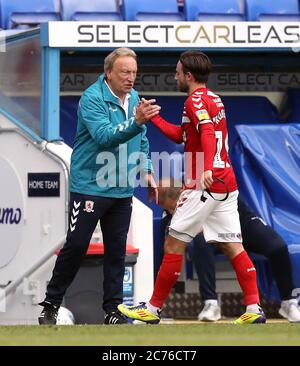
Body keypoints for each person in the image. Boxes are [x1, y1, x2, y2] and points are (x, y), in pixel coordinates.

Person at [118, 50, 266, 325]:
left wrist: (207, 167)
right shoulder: (213, 99)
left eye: (177, 72)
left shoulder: (194, 100)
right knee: (233, 245)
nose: (174, 76)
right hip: (226, 184)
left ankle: (152, 309)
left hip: (203, 184)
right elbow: (183, 136)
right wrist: (154, 119)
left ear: (188, 75)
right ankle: (254, 308)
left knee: (173, 243)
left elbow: (208, 132)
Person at [38, 47, 160, 325]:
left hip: (121, 188)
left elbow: (141, 139)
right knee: (76, 246)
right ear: (108, 73)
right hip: (89, 186)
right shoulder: (92, 98)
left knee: (117, 251)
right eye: (124, 72)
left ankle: (113, 311)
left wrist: (147, 171)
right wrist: (137, 120)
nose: (130, 78)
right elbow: (105, 137)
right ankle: (50, 305)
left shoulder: (135, 98)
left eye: (134, 73)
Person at [159, 186, 300, 323]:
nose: (172, 211)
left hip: (240, 221)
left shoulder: (214, 179)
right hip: (214, 232)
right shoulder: (176, 207)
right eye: (169, 209)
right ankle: (211, 303)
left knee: (278, 247)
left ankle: (288, 302)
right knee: (201, 243)